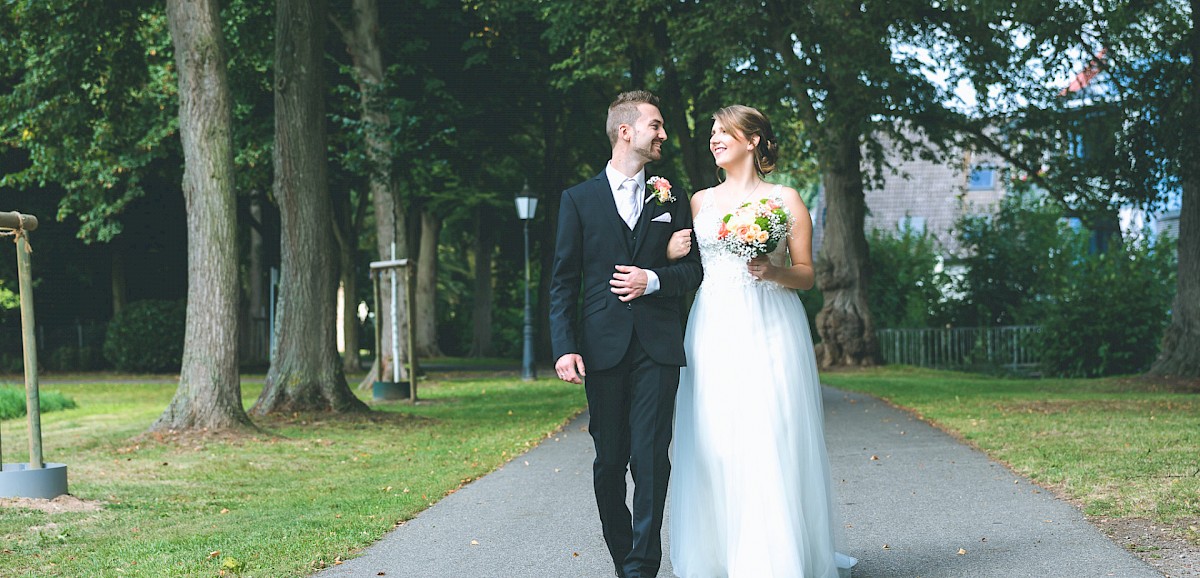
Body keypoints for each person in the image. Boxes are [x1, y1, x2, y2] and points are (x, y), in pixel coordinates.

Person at [666, 105, 856, 577]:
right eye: (711, 132)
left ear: (752, 141)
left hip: (772, 324)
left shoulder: (786, 200)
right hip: (713, 325)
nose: (713, 138)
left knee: (771, 432)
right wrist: (669, 252)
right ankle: (718, 555)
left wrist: (774, 270)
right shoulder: (698, 202)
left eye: (723, 131)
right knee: (716, 436)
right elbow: (689, 267)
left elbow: (808, 276)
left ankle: (776, 558)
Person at [548, 90, 704, 578]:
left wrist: (653, 277)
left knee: (652, 457)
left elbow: (696, 270)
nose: (662, 133)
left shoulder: (672, 197)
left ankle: (642, 567)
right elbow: (563, 281)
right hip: (602, 348)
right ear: (626, 132)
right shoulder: (577, 200)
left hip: (658, 345)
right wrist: (565, 346)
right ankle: (623, 559)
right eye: (655, 125)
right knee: (609, 460)